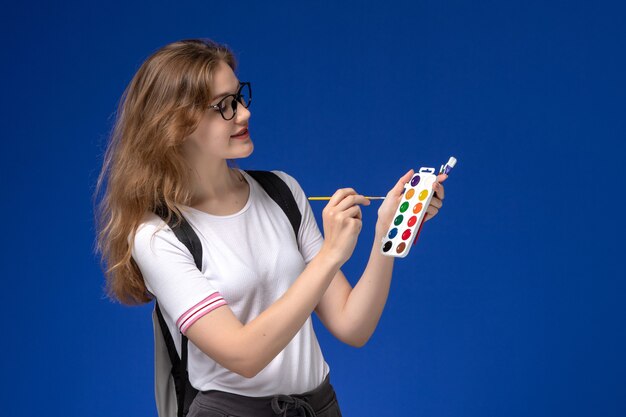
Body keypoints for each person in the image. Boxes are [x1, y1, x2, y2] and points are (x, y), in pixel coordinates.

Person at [93, 38, 447, 417]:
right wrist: (329, 256)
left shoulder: (282, 192)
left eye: (239, 97)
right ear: (176, 125)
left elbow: (352, 325)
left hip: (319, 408)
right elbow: (244, 355)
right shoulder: (158, 236)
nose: (243, 114)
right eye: (224, 106)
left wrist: (386, 235)